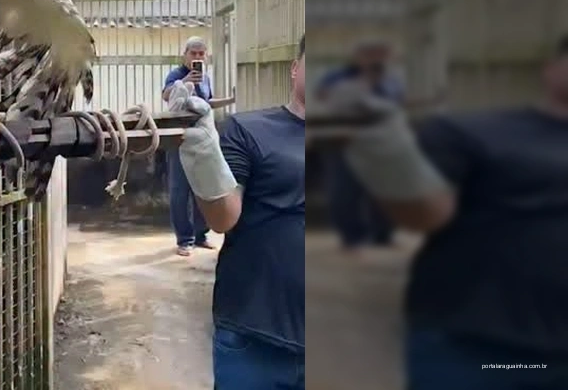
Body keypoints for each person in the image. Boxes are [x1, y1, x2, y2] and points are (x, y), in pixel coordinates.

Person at [330, 35, 568, 389]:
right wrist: (385, 148)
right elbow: (426, 213)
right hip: (486, 355)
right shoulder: (475, 135)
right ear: (551, 69)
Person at [169, 35, 305, 389]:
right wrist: (203, 155)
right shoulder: (249, 130)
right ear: (295, 68)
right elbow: (223, 218)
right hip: (255, 335)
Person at [316, 40, 403, 252]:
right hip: (344, 140)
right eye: (371, 55)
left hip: (378, 143)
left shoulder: (388, 81)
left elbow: (394, 105)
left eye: (381, 56)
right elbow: (325, 98)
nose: (376, 60)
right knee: (345, 191)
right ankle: (352, 236)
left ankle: (382, 234)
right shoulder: (338, 78)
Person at [160, 36, 215, 256]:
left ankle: (201, 235)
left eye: (201, 54)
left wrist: (231, 100)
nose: (198, 57)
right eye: (193, 53)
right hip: (179, 138)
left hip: (201, 138)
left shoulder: (206, 78)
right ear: (185, 55)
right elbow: (166, 96)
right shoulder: (176, 75)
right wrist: (185, 83)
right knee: (179, 190)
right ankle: (184, 239)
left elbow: (207, 104)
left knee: (202, 187)